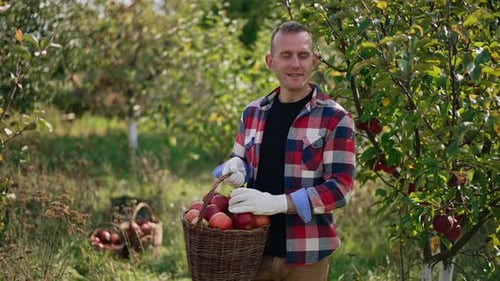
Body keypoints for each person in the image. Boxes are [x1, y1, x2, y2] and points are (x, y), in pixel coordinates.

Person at [213, 20, 356, 281]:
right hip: (253, 249)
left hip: (307, 256)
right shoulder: (253, 112)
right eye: (286, 55)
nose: (295, 64)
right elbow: (240, 159)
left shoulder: (335, 118)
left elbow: (341, 188)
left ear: (314, 60)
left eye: (303, 55)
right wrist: (233, 167)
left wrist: (280, 203)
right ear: (270, 61)